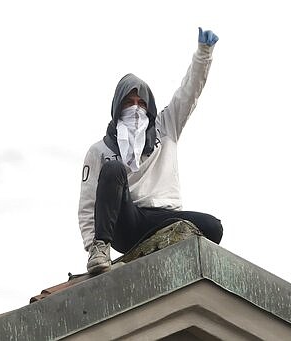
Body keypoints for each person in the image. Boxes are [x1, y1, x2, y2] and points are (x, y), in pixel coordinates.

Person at [78, 27, 223, 274]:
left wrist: (203, 53)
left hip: (163, 219)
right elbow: (88, 202)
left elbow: (189, 92)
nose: (135, 109)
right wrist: (92, 244)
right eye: (128, 102)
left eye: (141, 103)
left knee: (213, 227)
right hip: (127, 220)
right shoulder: (100, 150)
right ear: (117, 107)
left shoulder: (166, 127)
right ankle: (101, 249)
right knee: (113, 169)